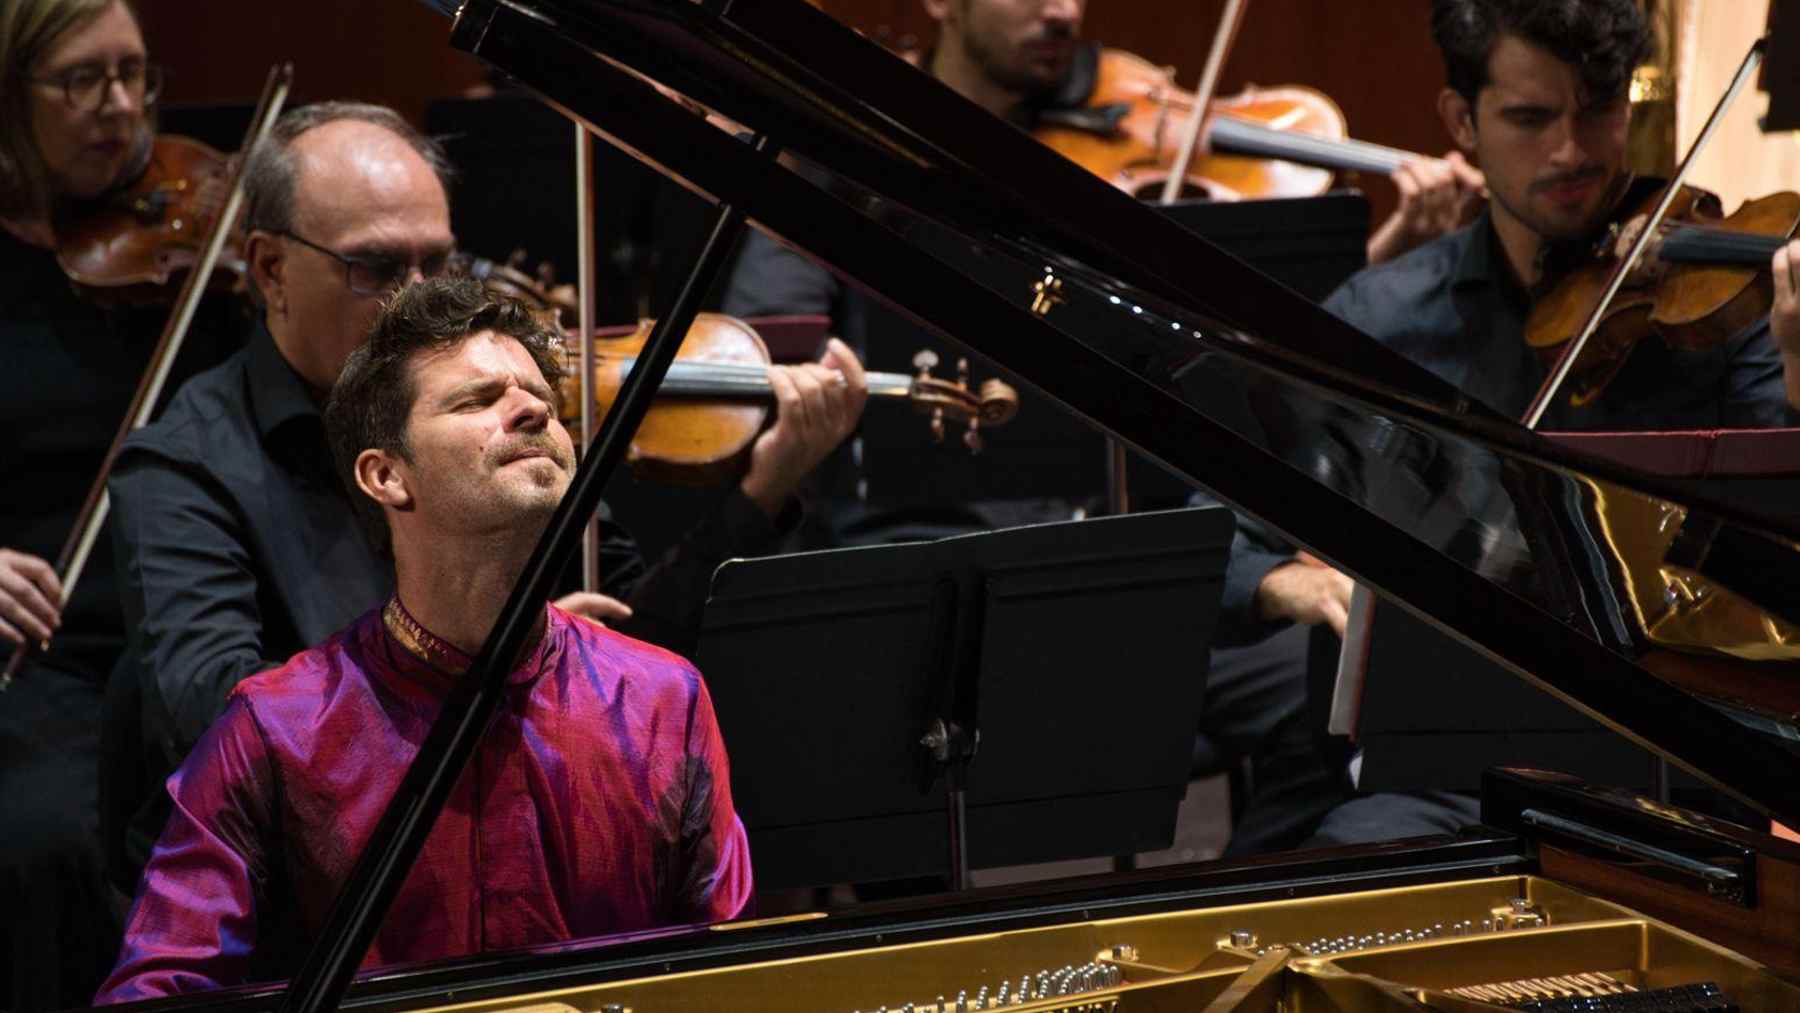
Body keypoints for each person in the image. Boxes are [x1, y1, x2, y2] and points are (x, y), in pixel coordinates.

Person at [102, 101, 866, 896]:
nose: (418, 302)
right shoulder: (180, 467)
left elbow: (642, 629)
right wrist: (472, 670)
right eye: (377, 268)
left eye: (440, 263)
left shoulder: (504, 425)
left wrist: (763, 487)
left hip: (514, 855)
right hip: (306, 900)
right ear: (268, 269)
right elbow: (212, 722)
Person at [95, 277, 754, 1002]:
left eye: (545, 398)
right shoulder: (276, 728)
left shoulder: (665, 697)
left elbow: (737, 973)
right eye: (478, 400)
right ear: (387, 474)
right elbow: (154, 991)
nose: (534, 408)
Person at [1244, 0, 1800, 846]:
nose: (1573, 152)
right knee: (1352, 866)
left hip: (1677, 769)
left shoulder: (1717, 319)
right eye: (1531, 119)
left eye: (1599, 110)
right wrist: (1301, 583)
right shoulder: (1379, 320)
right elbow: (1233, 531)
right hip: (1443, 786)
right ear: (1460, 121)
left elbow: (1782, 562)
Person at [0, 1, 242, 1008]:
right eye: (84, 81)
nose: (123, 108)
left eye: (137, 76)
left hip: (187, 625)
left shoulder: (202, 246)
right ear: (10, 97)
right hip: (41, 653)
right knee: (47, 839)